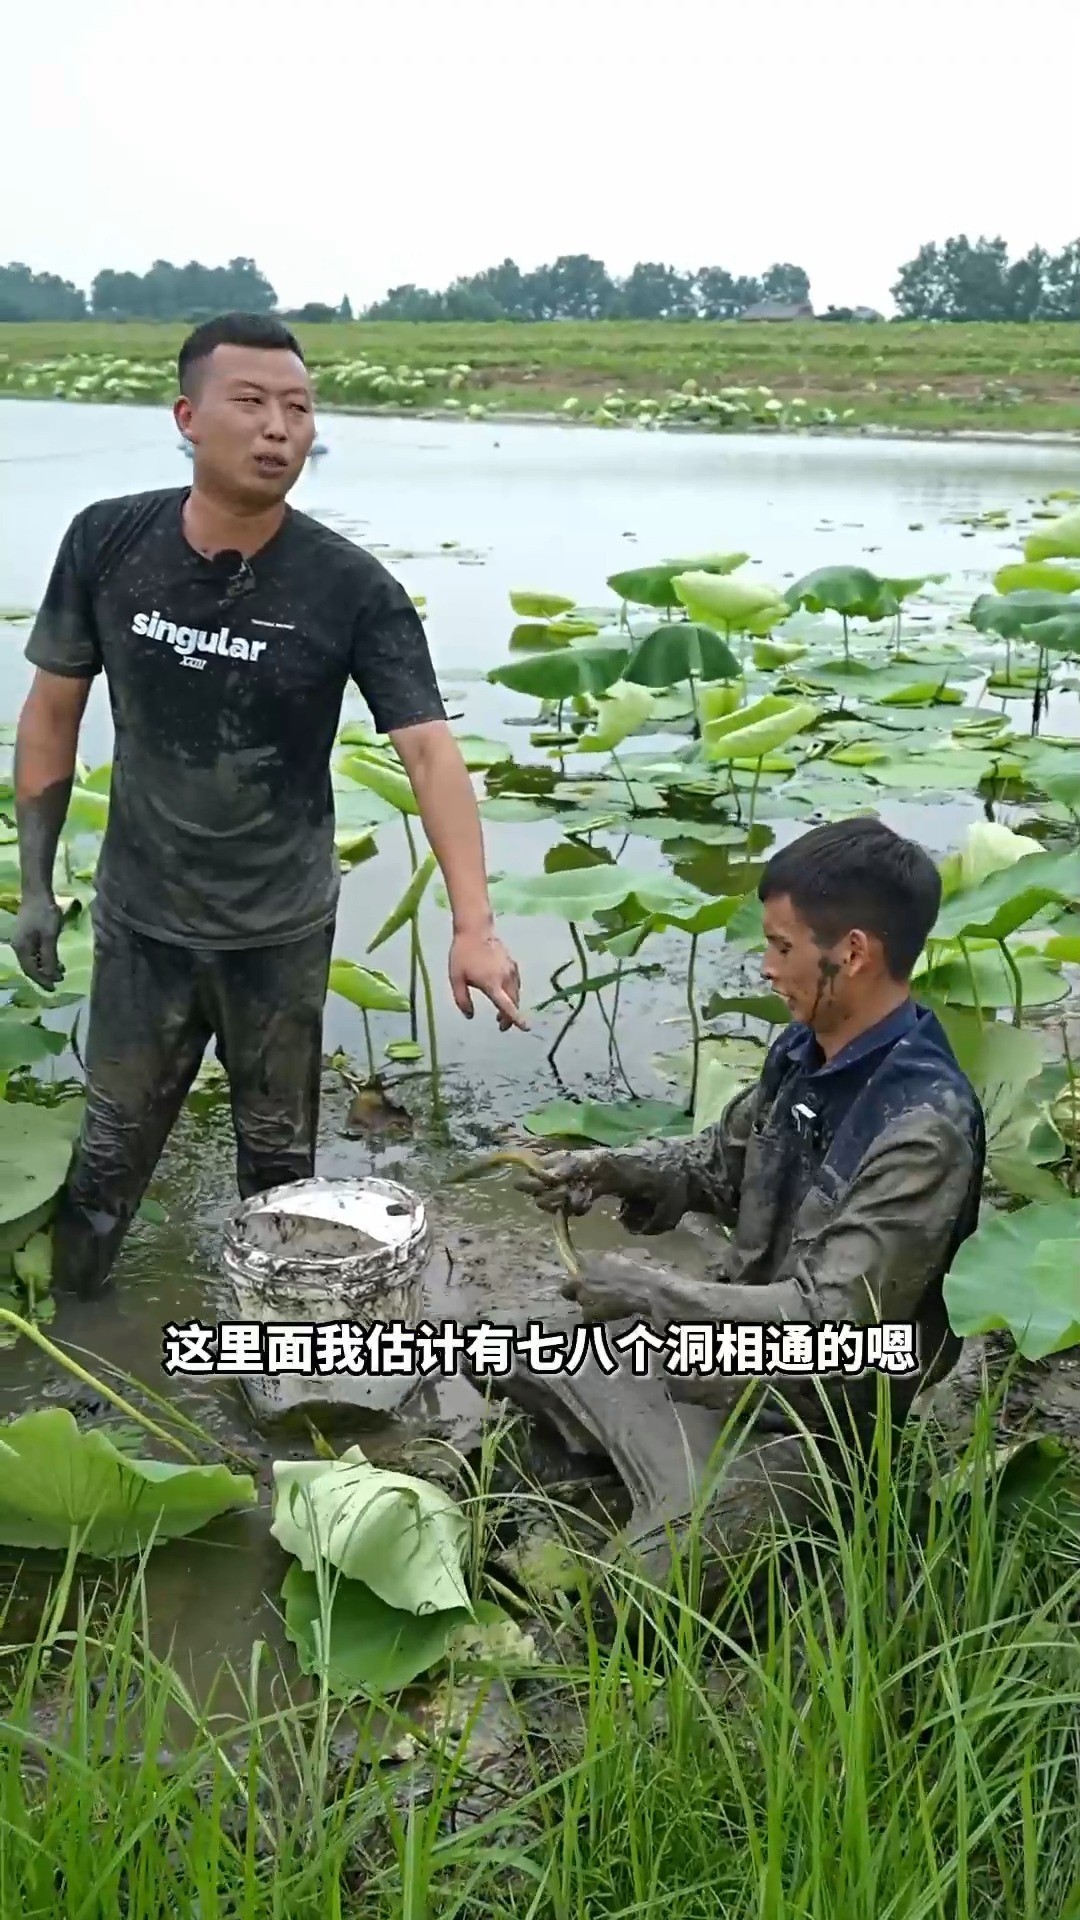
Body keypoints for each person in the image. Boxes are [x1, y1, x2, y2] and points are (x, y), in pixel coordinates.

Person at [11, 312, 523, 1300]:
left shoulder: (351, 587)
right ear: (188, 416)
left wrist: (476, 925)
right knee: (106, 1164)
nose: (279, 427)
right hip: (140, 923)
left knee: (280, 1166)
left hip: (277, 931)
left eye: (298, 407)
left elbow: (427, 747)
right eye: (251, 402)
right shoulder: (108, 541)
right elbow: (50, 714)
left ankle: (275, 1376)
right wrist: (35, 884)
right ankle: (83, 1359)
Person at [492, 818, 987, 1593]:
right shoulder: (803, 1053)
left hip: (818, 1416)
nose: (766, 966)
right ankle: (632, 1465)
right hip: (720, 1349)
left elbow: (831, 1330)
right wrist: (611, 1168)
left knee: (641, 1590)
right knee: (508, 1352)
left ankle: (802, 1510)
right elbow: (718, 1168)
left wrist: (652, 1293)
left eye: (782, 948)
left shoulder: (922, 1127)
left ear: (852, 953)